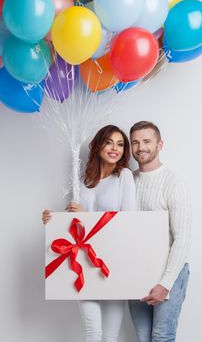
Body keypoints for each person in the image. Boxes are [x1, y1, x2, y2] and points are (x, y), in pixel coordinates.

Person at [42, 124, 136, 342]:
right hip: (84, 262)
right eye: (109, 142)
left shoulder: (124, 176)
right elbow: (76, 223)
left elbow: (129, 220)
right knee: (93, 333)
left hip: (113, 261)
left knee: (110, 336)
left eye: (120, 144)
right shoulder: (84, 180)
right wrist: (53, 219)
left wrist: (87, 214)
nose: (115, 148)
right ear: (98, 145)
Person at [128, 121, 191, 342]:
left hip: (169, 271)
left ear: (159, 144)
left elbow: (182, 238)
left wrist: (166, 283)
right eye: (135, 142)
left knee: (162, 337)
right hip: (137, 270)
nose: (140, 147)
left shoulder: (173, 183)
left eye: (147, 141)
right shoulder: (128, 181)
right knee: (144, 338)